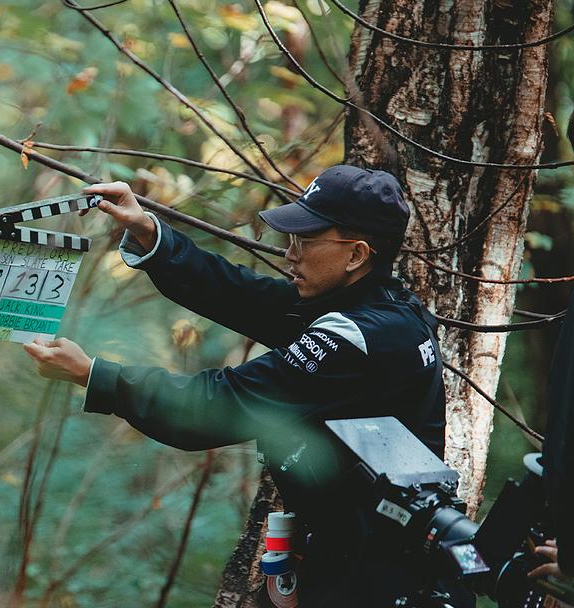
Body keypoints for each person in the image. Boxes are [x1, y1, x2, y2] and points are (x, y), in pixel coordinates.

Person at [24, 165, 467, 607]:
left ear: (355, 255)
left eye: (305, 242)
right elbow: (243, 294)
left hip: (369, 583)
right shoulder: (378, 306)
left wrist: (93, 374)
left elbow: (217, 407)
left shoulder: (357, 337)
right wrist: (149, 233)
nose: (290, 254)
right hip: (350, 559)